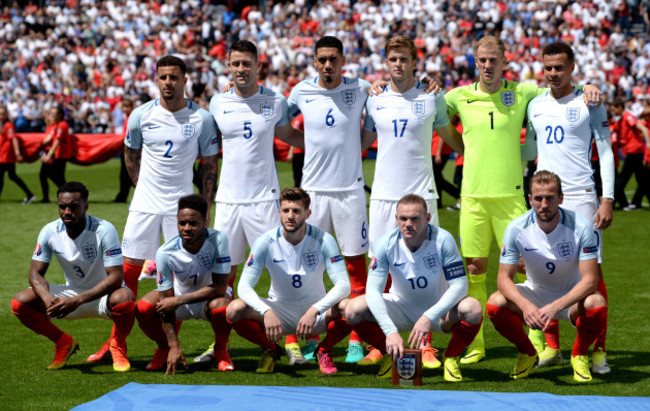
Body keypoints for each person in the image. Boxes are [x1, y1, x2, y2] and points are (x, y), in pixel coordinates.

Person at [444, 36, 601, 364]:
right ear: (475, 62)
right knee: (474, 267)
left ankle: (538, 340)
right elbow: (434, 116)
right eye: (482, 60)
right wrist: (464, 149)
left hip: (513, 197)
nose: (488, 66)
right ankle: (476, 344)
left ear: (505, 62)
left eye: (494, 60)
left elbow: (558, 85)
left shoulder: (522, 92)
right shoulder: (458, 96)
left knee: (522, 266)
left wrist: (588, 85)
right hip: (473, 196)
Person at [87, 55, 219, 363]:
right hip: (145, 205)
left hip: (182, 209)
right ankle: (116, 344)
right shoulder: (141, 114)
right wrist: (143, 188)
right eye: (163, 78)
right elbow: (130, 154)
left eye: (174, 77)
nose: (168, 83)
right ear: (156, 80)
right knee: (127, 275)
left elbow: (210, 165)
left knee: (178, 278)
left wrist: (205, 207)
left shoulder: (201, 118)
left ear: (185, 80)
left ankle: (165, 345)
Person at [195, 40, 304, 365]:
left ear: (258, 65)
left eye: (247, 64)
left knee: (281, 272)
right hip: (228, 202)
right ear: (228, 66)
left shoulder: (275, 101)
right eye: (235, 64)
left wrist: (331, 143)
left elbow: (288, 136)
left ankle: (291, 340)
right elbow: (209, 150)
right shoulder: (217, 102)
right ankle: (220, 347)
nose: (241, 69)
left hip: (263, 201)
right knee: (223, 279)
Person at [362, 35, 464, 369]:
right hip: (383, 196)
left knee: (430, 270)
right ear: (386, 61)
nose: (398, 64)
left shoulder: (431, 97)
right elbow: (359, 139)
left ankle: (427, 345)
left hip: (423, 196)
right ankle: (381, 343)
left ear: (414, 62)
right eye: (393, 59)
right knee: (381, 271)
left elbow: (454, 139)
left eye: (404, 59)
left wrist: (477, 151)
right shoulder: (373, 99)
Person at [526, 42, 614, 373]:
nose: (553, 73)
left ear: (572, 67)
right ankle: (551, 348)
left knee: (593, 273)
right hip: (546, 200)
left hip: (581, 197)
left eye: (559, 67)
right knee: (546, 269)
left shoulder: (589, 101)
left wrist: (608, 199)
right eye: (548, 67)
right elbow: (532, 154)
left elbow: (605, 152)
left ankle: (597, 350)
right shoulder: (534, 105)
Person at [286, 35, 374, 364]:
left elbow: (387, 101)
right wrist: (304, 142)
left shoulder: (361, 88)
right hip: (314, 193)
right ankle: (302, 338)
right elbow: (278, 122)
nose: (327, 65)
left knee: (355, 269)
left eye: (333, 59)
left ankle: (355, 339)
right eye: (321, 59)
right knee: (307, 269)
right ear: (314, 61)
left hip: (350, 191)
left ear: (342, 60)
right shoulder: (300, 92)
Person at [345, 194, 482, 382]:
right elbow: (373, 291)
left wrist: (429, 316)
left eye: (415, 218)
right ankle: (389, 353)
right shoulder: (385, 244)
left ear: (427, 218)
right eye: (403, 218)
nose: (408, 223)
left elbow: (460, 285)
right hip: (400, 308)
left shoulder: (443, 239)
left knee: (473, 308)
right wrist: (390, 331)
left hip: (439, 313)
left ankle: (451, 357)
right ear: (396, 219)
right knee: (352, 309)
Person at [486, 171, 607, 382]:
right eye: (538, 198)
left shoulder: (581, 227)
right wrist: (526, 306)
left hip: (571, 298)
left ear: (560, 198)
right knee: (495, 303)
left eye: (550, 197)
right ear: (530, 199)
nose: (544, 204)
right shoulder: (516, 228)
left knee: (597, 303)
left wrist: (554, 307)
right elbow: (503, 279)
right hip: (536, 293)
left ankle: (578, 354)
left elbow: (590, 280)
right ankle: (527, 352)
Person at [11, 181, 135, 372]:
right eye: (62, 207)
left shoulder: (104, 229)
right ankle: (63, 343)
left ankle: (117, 346)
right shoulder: (50, 231)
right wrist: (48, 298)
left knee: (125, 299)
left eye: (73, 207)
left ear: (85, 206)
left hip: (104, 295)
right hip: (71, 294)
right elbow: (35, 273)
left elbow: (116, 278)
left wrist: (77, 300)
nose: (67, 212)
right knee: (20, 302)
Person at [226, 188, 351, 374]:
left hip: (316, 313)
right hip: (278, 313)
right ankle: (271, 349)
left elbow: (343, 285)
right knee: (234, 309)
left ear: (307, 214)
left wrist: (315, 310)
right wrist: (266, 311)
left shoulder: (324, 239)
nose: (290, 216)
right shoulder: (265, 241)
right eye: (285, 211)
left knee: (351, 308)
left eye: (296, 211)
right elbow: (244, 287)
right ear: (279, 212)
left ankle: (324, 350)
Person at [135, 194, 233, 374]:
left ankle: (220, 350)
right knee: (143, 308)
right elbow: (166, 300)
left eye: (193, 223)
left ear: (205, 221)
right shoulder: (165, 252)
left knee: (224, 308)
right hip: (178, 296)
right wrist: (174, 345)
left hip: (211, 298)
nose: (186, 228)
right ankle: (164, 349)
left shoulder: (219, 239)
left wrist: (178, 301)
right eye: (182, 223)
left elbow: (220, 287)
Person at [611, 99, 650, 210]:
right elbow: (613, 131)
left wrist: (647, 142)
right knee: (642, 179)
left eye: (614, 109)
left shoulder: (628, 116)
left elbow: (643, 128)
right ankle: (636, 203)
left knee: (622, 178)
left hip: (634, 150)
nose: (613, 112)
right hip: (635, 150)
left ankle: (612, 204)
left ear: (620, 107)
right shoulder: (620, 121)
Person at [0, 105, 35, 204]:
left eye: (3, 114)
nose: (1, 116)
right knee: (12, 176)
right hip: (4, 156)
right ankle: (29, 194)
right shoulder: (4, 125)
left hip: (6, 157)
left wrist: (17, 153)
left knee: (8, 176)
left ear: (7, 114)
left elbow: (14, 139)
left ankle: (30, 194)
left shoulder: (8, 125)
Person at [39, 106, 71, 203]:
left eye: (53, 114)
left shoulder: (61, 125)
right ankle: (67, 197)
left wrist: (49, 155)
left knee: (52, 174)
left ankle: (67, 195)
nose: (51, 115)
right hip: (58, 154)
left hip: (61, 155)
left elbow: (57, 141)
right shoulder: (58, 125)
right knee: (58, 176)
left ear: (59, 115)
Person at [112, 99, 135, 203]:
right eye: (123, 107)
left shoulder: (132, 118)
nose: (124, 109)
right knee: (125, 176)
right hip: (126, 149)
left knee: (128, 175)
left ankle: (122, 197)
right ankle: (122, 197)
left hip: (129, 151)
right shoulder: (127, 118)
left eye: (126, 107)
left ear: (131, 107)